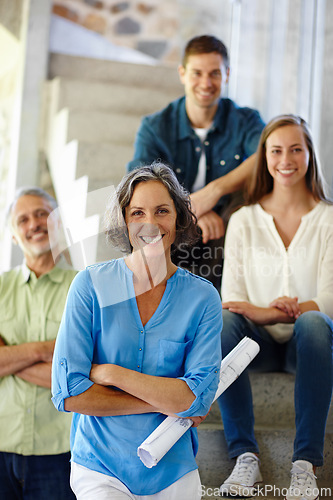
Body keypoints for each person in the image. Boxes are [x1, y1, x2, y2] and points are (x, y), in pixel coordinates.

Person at [51, 163, 223, 500]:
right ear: (124, 221)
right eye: (137, 212)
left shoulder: (203, 298)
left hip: (174, 468)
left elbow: (195, 399)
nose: (151, 223)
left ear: (179, 217)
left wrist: (112, 374)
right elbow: (69, 392)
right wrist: (167, 400)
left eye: (162, 211)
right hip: (100, 467)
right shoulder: (91, 285)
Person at [218, 115, 333, 499]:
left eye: (296, 149)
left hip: (311, 347)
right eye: (277, 150)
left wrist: (282, 311)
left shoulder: (329, 218)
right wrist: (267, 314)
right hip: (259, 347)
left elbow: (330, 300)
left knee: (315, 323)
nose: (287, 159)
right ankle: (245, 456)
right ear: (264, 157)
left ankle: (305, 464)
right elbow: (231, 300)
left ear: (309, 155)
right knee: (222, 323)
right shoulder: (244, 219)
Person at [127, 35, 265, 290]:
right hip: (174, 226)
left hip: (225, 226)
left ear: (227, 75)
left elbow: (267, 156)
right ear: (182, 73)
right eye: (197, 73)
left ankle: (223, 309)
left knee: (246, 205)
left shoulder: (245, 120)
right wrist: (192, 210)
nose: (206, 82)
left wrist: (213, 193)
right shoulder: (156, 127)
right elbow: (139, 185)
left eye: (214, 73)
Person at [0, 187, 77, 499]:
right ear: (15, 236)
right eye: (23, 219)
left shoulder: (84, 288)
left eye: (42, 214)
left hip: (60, 450)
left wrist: (9, 357)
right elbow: (62, 361)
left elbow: (76, 376)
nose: (34, 223)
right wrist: (47, 349)